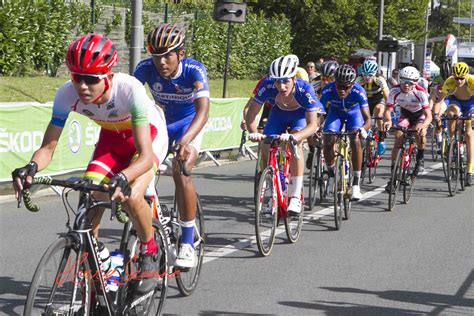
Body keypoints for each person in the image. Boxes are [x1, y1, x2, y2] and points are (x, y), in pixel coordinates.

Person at [11, 34, 169, 294]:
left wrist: (124, 177)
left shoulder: (129, 90)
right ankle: (98, 265)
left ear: (108, 75)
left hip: (148, 137)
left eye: (91, 79)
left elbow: (143, 157)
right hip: (111, 140)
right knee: (89, 195)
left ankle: (149, 249)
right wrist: (31, 168)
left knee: (131, 196)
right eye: (76, 77)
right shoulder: (66, 94)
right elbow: (48, 147)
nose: (83, 86)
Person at [134, 23, 210, 267]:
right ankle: (152, 216)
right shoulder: (144, 69)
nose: (161, 62)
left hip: (189, 124)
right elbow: (129, 101)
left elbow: (203, 111)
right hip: (161, 122)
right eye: (156, 56)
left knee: (182, 169)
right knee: (138, 166)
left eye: (168, 55)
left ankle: (187, 242)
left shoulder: (194, 70)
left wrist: (186, 140)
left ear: (181, 53)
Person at [245, 54, 325, 215]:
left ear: (294, 78)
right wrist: (253, 133)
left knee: (296, 144)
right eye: (277, 81)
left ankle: (295, 195)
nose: (281, 86)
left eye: (286, 81)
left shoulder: (305, 89)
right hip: (278, 114)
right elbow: (250, 114)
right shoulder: (267, 85)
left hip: (300, 116)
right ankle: (270, 189)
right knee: (265, 145)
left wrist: (296, 137)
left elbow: (312, 125)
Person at [321, 64, 372, 201]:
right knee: (328, 140)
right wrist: (315, 127)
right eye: (339, 86)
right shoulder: (327, 90)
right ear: (335, 83)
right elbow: (319, 113)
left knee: (355, 140)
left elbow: (368, 119)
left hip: (353, 114)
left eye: (346, 87)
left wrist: (363, 129)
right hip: (335, 113)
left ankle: (356, 183)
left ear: (352, 85)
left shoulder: (359, 91)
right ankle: (331, 174)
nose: (342, 90)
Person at [383, 66, 432, 191]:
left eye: (409, 82)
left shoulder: (420, 92)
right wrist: (388, 120)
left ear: (415, 82)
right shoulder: (394, 91)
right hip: (405, 114)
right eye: (403, 81)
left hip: (419, 114)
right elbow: (388, 110)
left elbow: (428, 116)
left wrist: (424, 126)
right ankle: (393, 174)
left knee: (419, 133)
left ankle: (420, 157)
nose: (405, 85)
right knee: (398, 137)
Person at [434, 61, 474, 186]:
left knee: (468, 134)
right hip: (456, 102)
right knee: (451, 114)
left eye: (461, 78)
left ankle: (470, 171)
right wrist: (436, 115)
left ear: (466, 75)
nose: (458, 81)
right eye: (456, 78)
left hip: (471, 103)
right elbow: (439, 101)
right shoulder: (449, 81)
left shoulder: (472, 81)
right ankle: (452, 141)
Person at [305, 60, 339, 169]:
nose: (325, 82)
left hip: (335, 109)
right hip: (320, 108)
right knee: (310, 127)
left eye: (329, 79)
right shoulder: (315, 83)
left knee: (332, 139)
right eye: (323, 78)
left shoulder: (339, 85)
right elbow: (309, 102)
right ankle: (312, 150)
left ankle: (333, 166)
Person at [357, 59, 390, 155]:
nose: (367, 77)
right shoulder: (359, 80)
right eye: (364, 74)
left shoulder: (380, 79)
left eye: (370, 75)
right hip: (366, 101)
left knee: (378, 111)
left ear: (375, 74)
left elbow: (387, 96)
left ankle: (381, 139)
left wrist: (388, 111)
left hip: (378, 99)